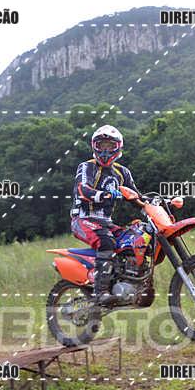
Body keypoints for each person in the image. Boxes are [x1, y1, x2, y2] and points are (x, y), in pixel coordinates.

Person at [70, 125, 139, 306]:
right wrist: (104, 194)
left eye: (110, 146)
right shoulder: (87, 167)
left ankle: (126, 283)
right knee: (106, 241)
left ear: (118, 147)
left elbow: (136, 197)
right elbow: (82, 189)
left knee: (133, 240)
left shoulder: (123, 172)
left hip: (106, 222)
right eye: (102, 145)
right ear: (95, 146)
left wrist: (160, 203)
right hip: (83, 218)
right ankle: (101, 292)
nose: (106, 150)